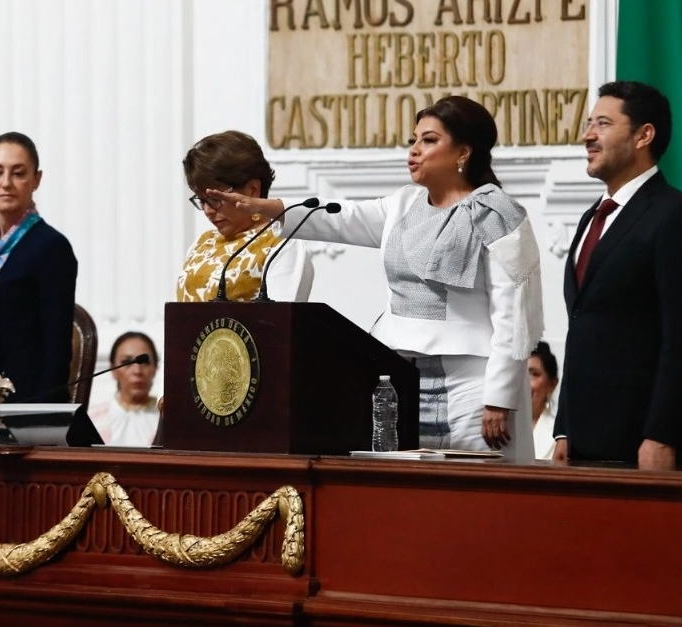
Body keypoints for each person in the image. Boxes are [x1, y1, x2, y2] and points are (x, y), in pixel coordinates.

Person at [212, 97, 543, 459]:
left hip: (471, 385)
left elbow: (514, 315)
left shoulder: (497, 212)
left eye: (429, 141)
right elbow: (338, 216)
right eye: (413, 140)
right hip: (401, 380)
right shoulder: (404, 205)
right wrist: (269, 208)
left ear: (463, 151)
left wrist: (499, 397)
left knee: (475, 497)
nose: (414, 150)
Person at [553, 81, 682, 469]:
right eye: (590, 123)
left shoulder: (675, 215)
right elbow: (582, 327)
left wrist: (662, 434)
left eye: (603, 123)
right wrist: (563, 429)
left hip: (641, 444)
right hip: (580, 444)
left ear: (644, 135)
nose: (587, 135)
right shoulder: (591, 217)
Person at [0, 132, 78, 420]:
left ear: (36, 180)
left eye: (18, 173)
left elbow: (57, 344)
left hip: (30, 405)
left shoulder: (51, 246)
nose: (6, 183)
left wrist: (40, 416)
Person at [177, 130, 313, 302]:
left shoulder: (281, 243)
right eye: (201, 200)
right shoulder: (203, 243)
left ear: (252, 190)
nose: (207, 210)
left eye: (214, 199)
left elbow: (281, 323)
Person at [88, 332, 161, 446]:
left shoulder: (168, 420)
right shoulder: (92, 421)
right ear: (113, 370)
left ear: (155, 368)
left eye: (145, 362)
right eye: (127, 362)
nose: (137, 371)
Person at [528, 341, 559, 460]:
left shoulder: (559, 434)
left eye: (533, 374)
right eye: (520, 374)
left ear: (552, 384)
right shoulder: (495, 427)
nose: (524, 382)